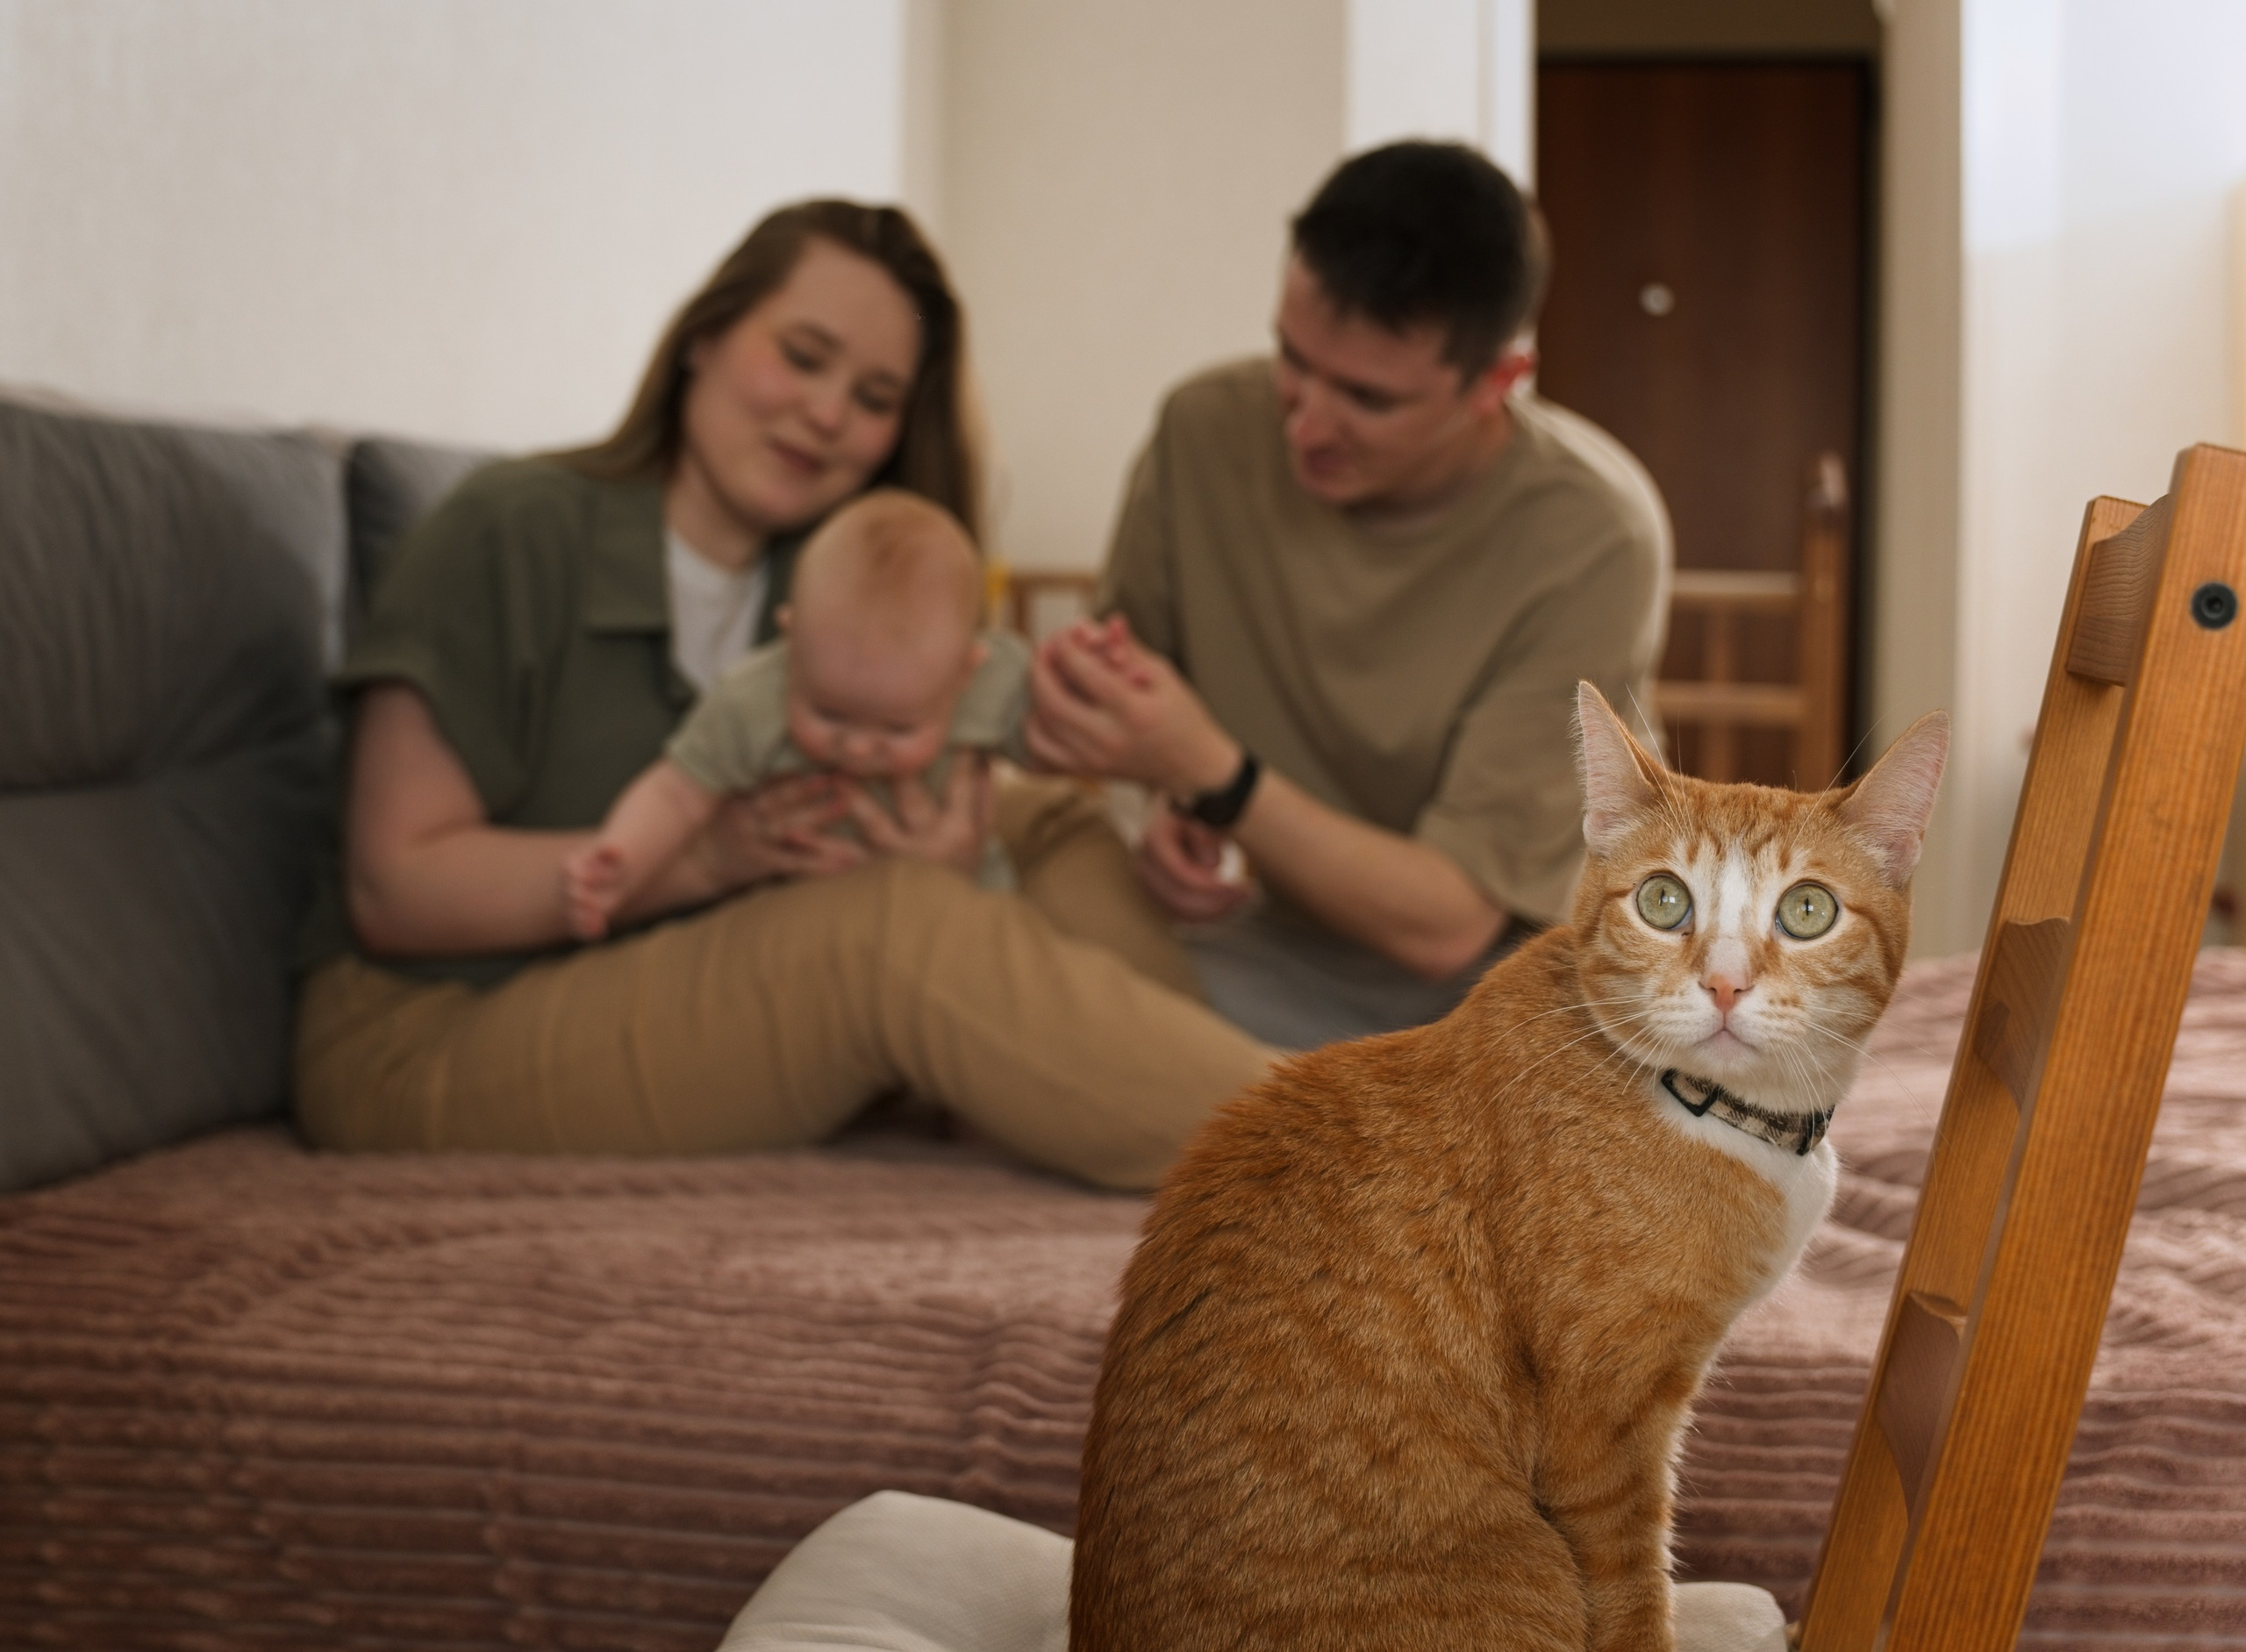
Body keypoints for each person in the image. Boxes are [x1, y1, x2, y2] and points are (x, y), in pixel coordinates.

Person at [293, 199, 1268, 1190]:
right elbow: (393, 893)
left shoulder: (827, 576)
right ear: (703, 337)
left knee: (1048, 821)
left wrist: (957, 849)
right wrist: (703, 859)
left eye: (876, 396)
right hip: (429, 1026)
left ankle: (1216, 1115)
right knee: (888, 932)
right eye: (802, 357)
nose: (829, 413)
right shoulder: (510, 530)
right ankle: (1336, 1165)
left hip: (681, 969)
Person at [1026, 141, 1673, 1051]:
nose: (1305, 422)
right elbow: (1129, 702)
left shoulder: (1594, 535)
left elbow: (1450, 922)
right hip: (1252, 948)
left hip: (1495, 993)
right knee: (992, 932)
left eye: (1367, 398)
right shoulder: (1200, 429)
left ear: (1496, 384)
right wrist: (1164, 809)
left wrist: (1213, 775)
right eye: (1291, 357)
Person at [562, 490, 1034, 938]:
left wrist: (1084, 673)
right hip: (797, 916)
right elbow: (678, 791)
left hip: (963, 900)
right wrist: (621, 858)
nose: (856, 746)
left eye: (898, 727)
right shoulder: (753, 700)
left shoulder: (987, 686)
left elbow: (1052, 736)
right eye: (828, 713)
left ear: (964, 673)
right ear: (791, 642)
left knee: (1005, 955)